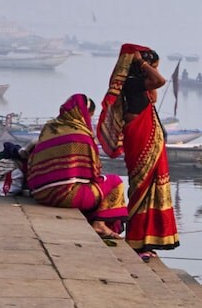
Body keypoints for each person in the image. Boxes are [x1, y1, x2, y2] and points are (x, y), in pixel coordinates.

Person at [97, 44, 179, 257]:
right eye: (151, 65)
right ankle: (136, 239)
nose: (152, 68)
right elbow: (160, 81)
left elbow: (155, 85)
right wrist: (141, 61)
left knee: (151, 186)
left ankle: (146, 240)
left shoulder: (140, 85)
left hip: (149, 137)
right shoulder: (132, 82)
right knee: (141, 187)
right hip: (140, 137)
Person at [23, 94, 126, 239]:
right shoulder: (81, 136)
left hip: (40, 194)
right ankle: (99, 224)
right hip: (64, 196)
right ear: (84, 114)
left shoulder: (49, 127)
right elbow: (93, 173)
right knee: (115, 182)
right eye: (90, 116)